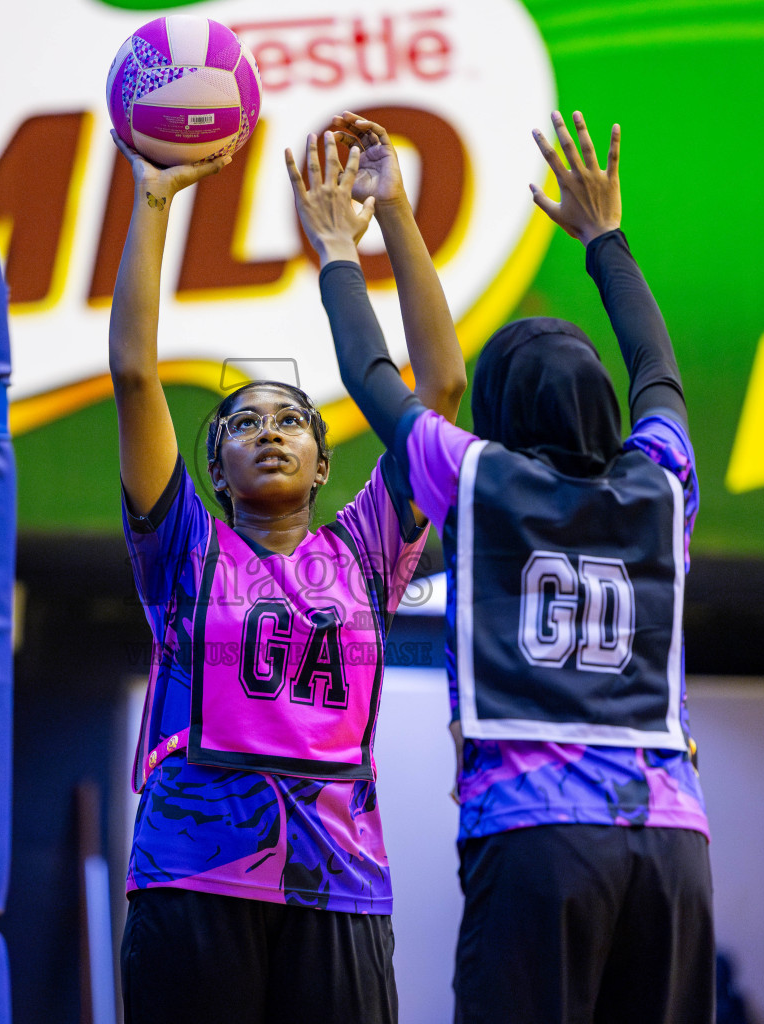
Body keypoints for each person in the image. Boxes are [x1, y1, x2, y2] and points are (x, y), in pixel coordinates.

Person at [294, 111, 713, 1023]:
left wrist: (338, 249)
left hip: (539, 837)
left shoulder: (477, 476)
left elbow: (375, 378)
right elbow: (660, 371)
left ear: (501, 412)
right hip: (673, 839)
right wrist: (606, 239)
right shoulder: (660, 482)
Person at [107, 114, 465, 1024]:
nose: (268, 431)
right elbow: (135, 375)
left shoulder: (367, 550)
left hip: (337, 880)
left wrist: (393, 219)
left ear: (324, 461)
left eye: (290, 420)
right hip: (195, 872)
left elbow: (442, 391)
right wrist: (154, 198)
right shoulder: (184, 549)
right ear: (213, 469)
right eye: (241, 424)